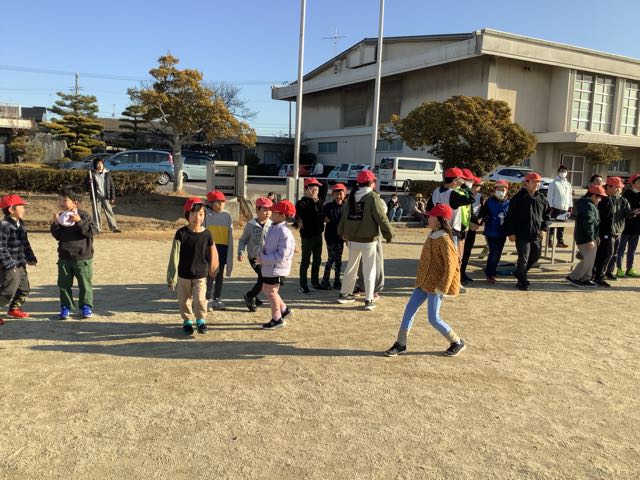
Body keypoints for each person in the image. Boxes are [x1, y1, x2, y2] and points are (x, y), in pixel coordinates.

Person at [384, 204, 466, 357]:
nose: (428, 218)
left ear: (440, 220)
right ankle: (401, 343)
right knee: (409, 310)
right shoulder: (432, 235)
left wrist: (443, 287)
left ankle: (456, 341)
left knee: (433, 318)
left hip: (436, 285)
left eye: (431, 216)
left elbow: (451, 266)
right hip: (423, 282)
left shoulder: (444, 239)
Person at [337, 170, 393, 311]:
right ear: (371, 182)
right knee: (369, 270)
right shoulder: (372, 196)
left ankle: (344, 294)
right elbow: (381, 217)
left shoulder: (351, 196)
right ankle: (369, 299)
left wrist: (341, 232)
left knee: (351, 267)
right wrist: (388, 234)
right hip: (368, 240)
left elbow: (344, 217)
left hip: (352, 239)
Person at [167, 197, 219, 335]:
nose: (197, 217)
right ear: (187, 215)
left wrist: (214, 268)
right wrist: (172, 278)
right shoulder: (181, 233)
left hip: (201, 274)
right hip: (183, 274)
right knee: (184, 301)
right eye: (194, 214)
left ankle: (201, 321)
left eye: (201, 214)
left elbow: (213, 253)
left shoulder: (207, 234)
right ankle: (187, 322)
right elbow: (174, 256)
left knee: (201, 299)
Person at [50, 186, 99, 320]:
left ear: (75, 203)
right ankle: (65, 307)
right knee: (64, 285)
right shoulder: (61, 216)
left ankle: (86, 306)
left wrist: (79, 221)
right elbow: (57, 236)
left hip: (82, 258)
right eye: (60, 199)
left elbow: (92, 232)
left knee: (85, 285)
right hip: (64, 257)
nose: (61, 202)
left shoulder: (84, 215)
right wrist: (55, 223)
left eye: (64, 200)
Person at [503, 172, 550, 291]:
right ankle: (522, 281)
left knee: (536, 256)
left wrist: (544, 229)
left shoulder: (542, 198)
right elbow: (510, 217)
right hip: (521, 234)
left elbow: (547, 216)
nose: (537, 184)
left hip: (536, 234)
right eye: (534, 182)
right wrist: (511, 233)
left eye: (538, 182)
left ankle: (520, 273)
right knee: (523, 258)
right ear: (526, 183)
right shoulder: (518, 198)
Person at [257, 200, 296, 330]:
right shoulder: (273, 227)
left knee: (272, 292)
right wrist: (262, 255)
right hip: (270, 266)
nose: (271, 213)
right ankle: (284, 309)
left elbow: (281, 255)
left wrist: (264, 259)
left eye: (274, 211)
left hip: (276, 268)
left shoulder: (284, 232)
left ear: (282, 215)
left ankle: (277, 318)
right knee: (266, 289)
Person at [0, 195, 37, 325]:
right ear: (11, 209)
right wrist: (9, 265)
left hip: (20, 262)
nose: (24, 209)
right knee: (8, 290)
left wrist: (30, 257)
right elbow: (1, 248)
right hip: (9, 265)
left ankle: (14, 309)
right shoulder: (3, 226)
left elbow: (25, 243)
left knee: (24, 288)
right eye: (21, 207)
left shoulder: (20, 223)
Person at [592, 176, 632, 287]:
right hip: (606, 232)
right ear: (608, 187)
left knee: (613, 254)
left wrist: (633, 213)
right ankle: (598, 276)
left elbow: (627, 213)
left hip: (618, 231)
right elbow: (599, 218)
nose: (619, 189)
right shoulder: (603, 199)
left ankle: (608, 272)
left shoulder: (623, 200)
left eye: (620, 187)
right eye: (616, 187)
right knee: (605, 254)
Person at [565, 186, 606, 288]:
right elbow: (588, 224)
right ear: (593, 195)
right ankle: (573, 277)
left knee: (590, 260)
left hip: (587, 237)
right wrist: (590, 238)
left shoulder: (588, 204)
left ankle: (585, 278)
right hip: (585, 238)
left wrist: (594, 236)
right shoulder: (588, 206)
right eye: (599, 197)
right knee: (587, 259)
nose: (600, 200)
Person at [237, 196, 273, 312]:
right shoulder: (250, 225)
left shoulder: (272, 225)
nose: (268, 212)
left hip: (267, 258)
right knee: (263, 277)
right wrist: (241, 252)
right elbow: (243, 240)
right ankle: (249, 296)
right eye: (265, 209)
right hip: (254, 257)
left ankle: (254, 295)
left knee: (263, 278)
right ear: (257, 210)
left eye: (270, 210)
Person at [427, 167, 475, 252]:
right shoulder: (452, 193)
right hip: (453, 230)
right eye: (460, 180)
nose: (462, 181)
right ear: (455, 181)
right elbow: (471, 199)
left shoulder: (436, 191)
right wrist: (464, 186)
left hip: (438, 229)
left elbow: (429, 208)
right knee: (453, 256)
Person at [204, 190, 234, 310]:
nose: (221, 204)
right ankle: (207, 300)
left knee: (219, 276)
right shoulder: (205, 214)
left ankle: (217, 298)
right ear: (210, 203)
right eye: (217, 202)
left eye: (223, 201)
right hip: (209, 250)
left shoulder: (227, 216)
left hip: (222, 250)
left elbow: (230, 236)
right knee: (209, 276)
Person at [295, 177, 325, 294]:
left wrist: (316, 202)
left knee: (317, 260)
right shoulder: (301, 203)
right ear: (305, 189)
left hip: (318, 235)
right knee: (305, 261)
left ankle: (315, 282)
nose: (315, 190)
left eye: (316, 188)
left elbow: (321, 214)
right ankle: (303, 285)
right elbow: (307, 217)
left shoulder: (319, 201)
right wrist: (313, 201)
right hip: (307, 236)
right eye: (312, 187)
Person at [479, 180, 510, 284]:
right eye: (498, 189)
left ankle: (492, 270)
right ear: (495, 190)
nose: (501, 191)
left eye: (503, 189)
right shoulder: (489, 202)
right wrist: (482, 219)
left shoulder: (509, 203)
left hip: (502, 232)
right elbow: (483, 214)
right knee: (493, 252)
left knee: (498, 253)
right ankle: (490, 274)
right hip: (491, 232)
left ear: (506, 190)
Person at [321, 183, 347, 290]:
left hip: (341, 237)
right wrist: (324, 218)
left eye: (340, 194)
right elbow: (321, 215)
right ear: (333, 195)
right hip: (330, 236)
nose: (338, 196)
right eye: (336, 194)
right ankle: (325, 280)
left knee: (339, 260)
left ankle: (337, 281)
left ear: (344, 194)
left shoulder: (346, 207)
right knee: (331, 259)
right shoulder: (328, 206)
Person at [84, 158, 121, 233]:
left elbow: (111, 186)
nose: (99, 165)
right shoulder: (91, 174)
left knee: (109, 211)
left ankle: (114, 227)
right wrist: (89, 182)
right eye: (97, 164)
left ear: (103, 164)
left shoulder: (107, 173)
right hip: (96, 197)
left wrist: (112, 197)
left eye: (100, 163)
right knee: (96, 213)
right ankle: (97, 228)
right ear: (95, 165)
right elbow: (86, 185)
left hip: (106, 196)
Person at [460, 174, 484, 284]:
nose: (477, 188)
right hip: (463, 226)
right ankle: (459, 274)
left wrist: (479, 221)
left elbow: (481, 210)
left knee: (467, 251)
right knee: (461, 252)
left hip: (473, 226)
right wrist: (471, 222)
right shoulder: (464, 194)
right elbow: (465, 212)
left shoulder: (479, 196)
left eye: (478, 186)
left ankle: (463, 272)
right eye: (475, 185)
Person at [617, 173, 640, 277]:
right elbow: (622, 210)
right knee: (621, 249)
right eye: (639, 182)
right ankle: (619, 268)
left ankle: (629, 269)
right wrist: (632, 212)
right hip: (625, 227)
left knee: (632, 249)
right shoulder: (626, 194)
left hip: (637, 227)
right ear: (633, 183)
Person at [546, 165, 573, 248]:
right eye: (561, 171)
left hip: (565, 208)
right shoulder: (554, 183)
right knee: (552, 226)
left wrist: (570, 206)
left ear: (567, 173)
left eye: (564, 171)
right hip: (555, 208)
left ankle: (560, 242)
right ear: (558, 172)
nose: (563, 173)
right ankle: (549, 241)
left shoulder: (568, 184)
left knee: (561, 227)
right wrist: (551, 206)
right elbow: (550, 196)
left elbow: (570, 196)